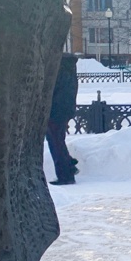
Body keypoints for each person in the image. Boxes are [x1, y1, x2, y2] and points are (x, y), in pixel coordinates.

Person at [46, 52, 78, 185]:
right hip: (65, 108)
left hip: (56, 110)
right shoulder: (69, 69)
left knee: (55, 141)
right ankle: (68, 165)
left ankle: (65, 174)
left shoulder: (58, 70)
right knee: (58, 139)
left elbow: (52, 90)